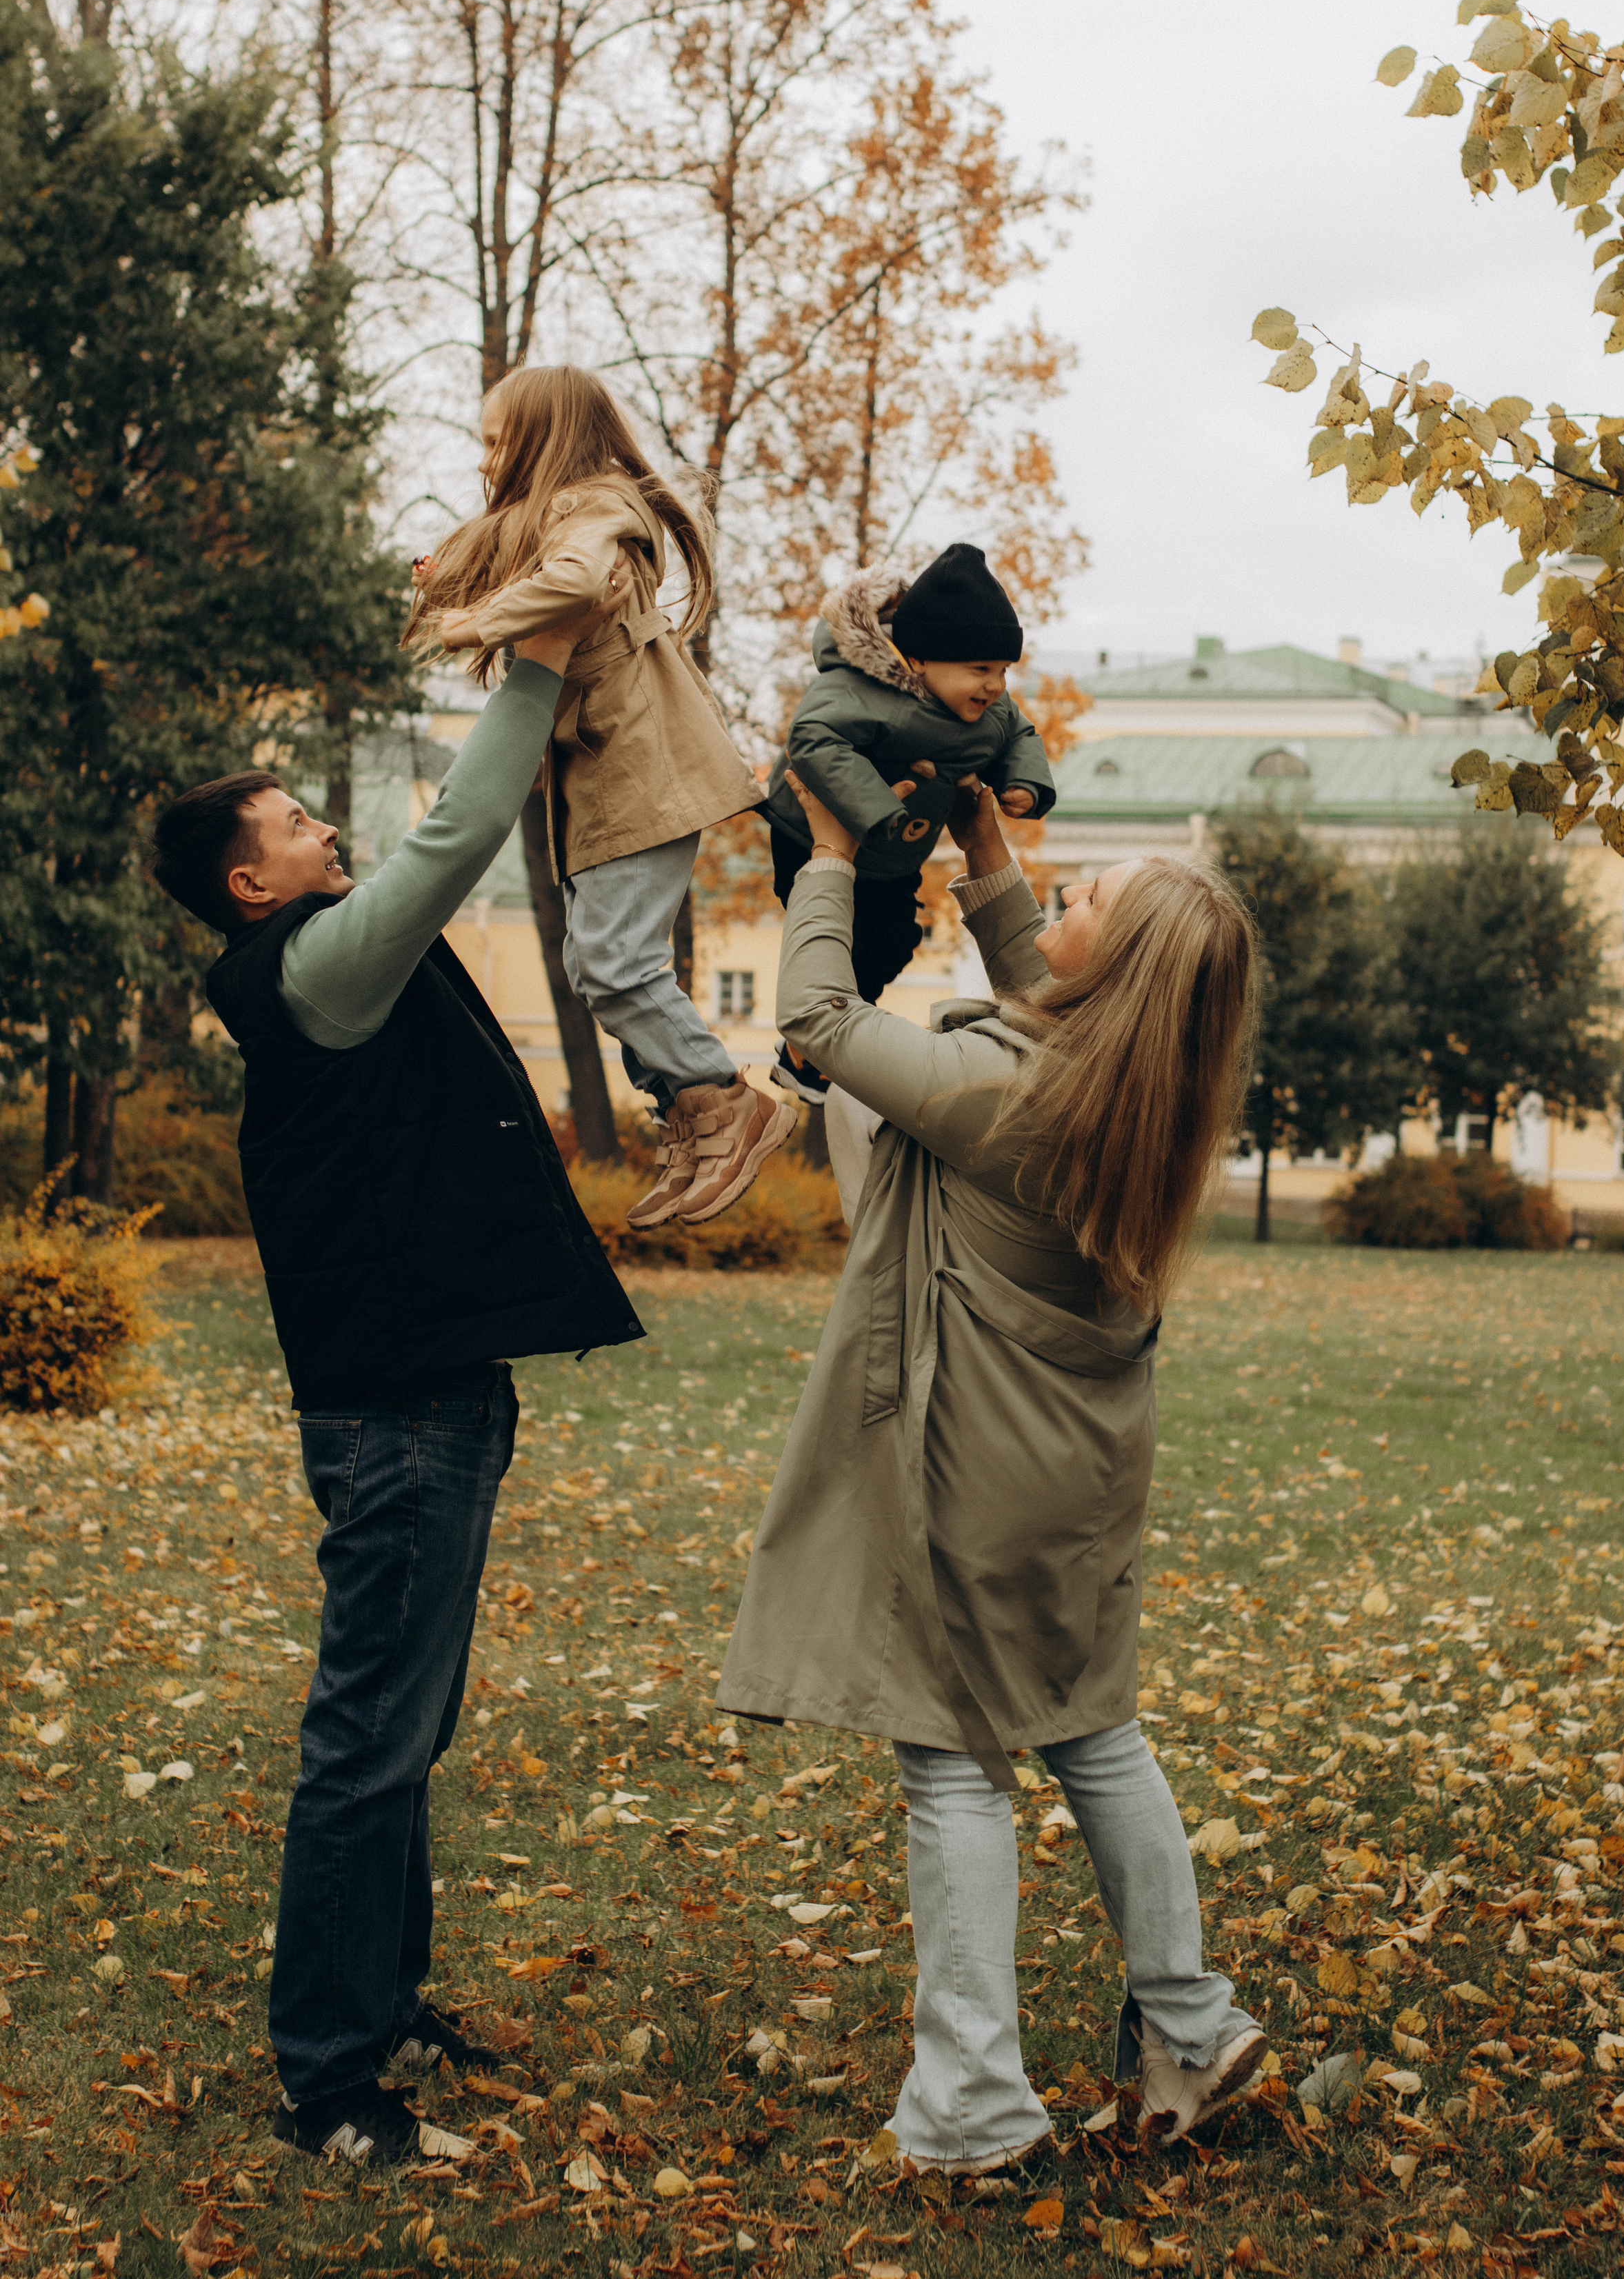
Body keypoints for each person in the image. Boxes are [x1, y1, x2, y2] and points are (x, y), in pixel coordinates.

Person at [152, 597, 643, 2169]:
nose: (325, 827)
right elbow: (457, 833)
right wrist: (541, 652)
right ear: (253, 883)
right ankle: (332, 2081)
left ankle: (384, 2003)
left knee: (400, 1733)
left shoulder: (318, 964)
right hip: (397, 1414)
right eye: (296, 823)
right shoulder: (311, 968)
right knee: (369, 1739)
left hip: (428, 1394)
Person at [719, 772, 1267, 2169]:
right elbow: (1052, 982)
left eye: (1083, 900)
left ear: (1115, 972)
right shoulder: (1138, 1100)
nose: (1057, 900)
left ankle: (972, 2104)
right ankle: (1189, 2020)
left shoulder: (997, 1095)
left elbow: (819, 1021)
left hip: (977, 1466)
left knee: (953, 1761)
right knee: (1092, 1729)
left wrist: (826, 861)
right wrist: (983, 852)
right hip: (1081, 1472)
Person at [406, 363, 794, 1226]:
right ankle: (691, 1114)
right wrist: (444, 582)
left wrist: (473, 621)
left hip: (644, 766)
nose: (484, 460)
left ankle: (728, 1105)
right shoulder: (565, 515)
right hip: (610, 775)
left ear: (543, 437)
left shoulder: (597, 509)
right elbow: (531, 568)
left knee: (615, 963)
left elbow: (577, 582)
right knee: (595, 965)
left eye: (496, 442)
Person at [759, 542, 1054, 1103]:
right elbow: (812, 738)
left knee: (894, 941)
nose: (995, 686)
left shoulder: (989, 710)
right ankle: (813, 1041)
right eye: (980, 670)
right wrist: (872, 809)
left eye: (1003, 671)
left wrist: (1024, 783)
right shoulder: (860, 688)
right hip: (810, 836)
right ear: (919, 661)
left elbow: (1018, 735)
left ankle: (807, 1056)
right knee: (837, 938)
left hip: (894, 853)